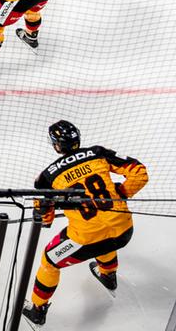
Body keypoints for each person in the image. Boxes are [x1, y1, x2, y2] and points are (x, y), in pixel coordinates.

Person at [22, 120, 149, 326]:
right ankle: (108, 275)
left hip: (88, 239)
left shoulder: (46, 178)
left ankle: (37, 309)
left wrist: (47, 214)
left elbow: (44, 218)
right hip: (124, 230)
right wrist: (120, 193)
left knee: (49, 260)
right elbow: (139, 172)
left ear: (56, 145)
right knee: (107, 237)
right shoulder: (98, 153)